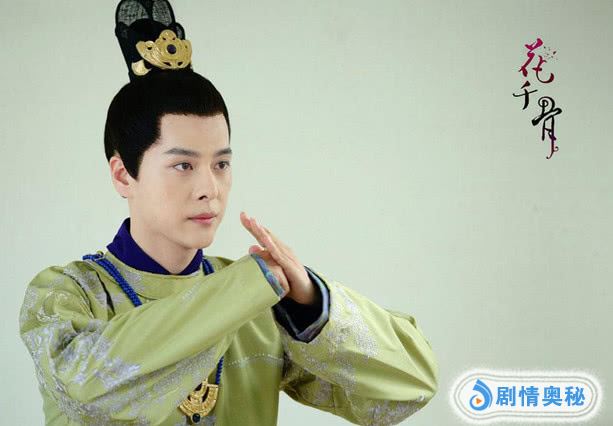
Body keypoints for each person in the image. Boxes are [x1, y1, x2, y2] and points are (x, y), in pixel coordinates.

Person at [18, 1, 439, 424]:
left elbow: (410, 389)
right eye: (183, 166)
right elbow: (92, 398)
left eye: (221, 164)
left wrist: (313, 304)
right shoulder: (68, 294)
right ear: (123, 174)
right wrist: (245, 289)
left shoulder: (261, 303)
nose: (210, 189)